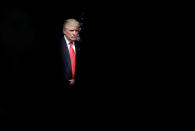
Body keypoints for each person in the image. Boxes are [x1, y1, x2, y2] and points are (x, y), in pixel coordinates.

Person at [59, 18, 81, 89]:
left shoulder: (79, 46)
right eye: (71, 30)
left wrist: (76, 80)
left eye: (76, 31)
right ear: (64, 31)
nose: (74, 33)